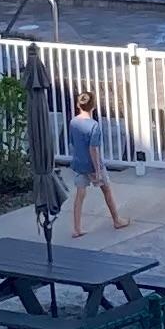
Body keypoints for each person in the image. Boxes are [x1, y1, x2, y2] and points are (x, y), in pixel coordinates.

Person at [63, 86, 126, 234]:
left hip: (79, 164)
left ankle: (77, 228)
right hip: (93, 164)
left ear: (78, 105)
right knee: (107, 191)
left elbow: (73, 142)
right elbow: (94, 149)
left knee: (80, 195)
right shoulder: (94, 126)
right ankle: (116, 220)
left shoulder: (73, 122)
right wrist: (97, 170)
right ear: (93, 106)